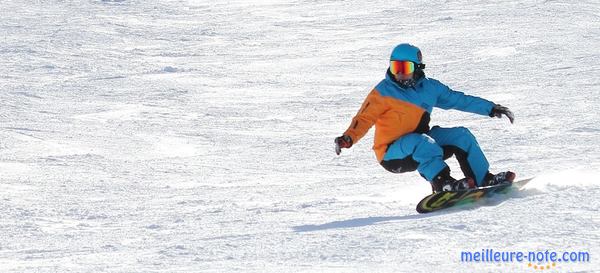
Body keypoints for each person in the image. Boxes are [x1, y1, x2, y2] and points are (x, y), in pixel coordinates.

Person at [334, 43, 516, 193]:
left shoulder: (430, 88)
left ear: (417, 67)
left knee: (461, 135)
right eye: (395, 67)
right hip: (391, 153)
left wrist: (490, 108)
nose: (399, 73)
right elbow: (364, 118)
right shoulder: (383, 92)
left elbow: (459, 100)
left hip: (423, 142)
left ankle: (483, 178)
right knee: (421, 142)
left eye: (405, 68)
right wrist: (348, 138)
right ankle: (443, 184)